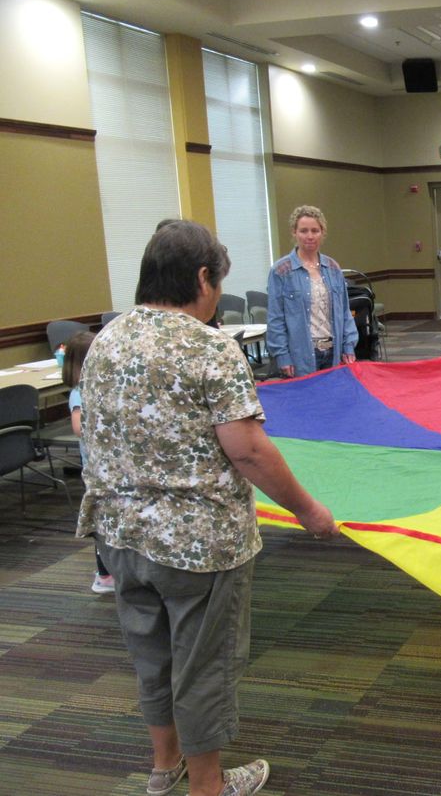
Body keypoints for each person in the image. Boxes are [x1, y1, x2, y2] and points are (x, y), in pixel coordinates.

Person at [77, 220, 339, 796]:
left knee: (153, 657)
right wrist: (307, 511)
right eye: (217, 282)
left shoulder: (106, 341)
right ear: (201, 278)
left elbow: (90, 431)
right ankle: (208, 785)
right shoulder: (209, 347)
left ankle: (163, 766)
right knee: (203, 668)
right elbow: (248, 450)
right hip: (198, 550)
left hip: (120, 539)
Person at [266, 204, 358, 378]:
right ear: (294, 232)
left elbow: (345, 312)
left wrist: (348, 345)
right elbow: (275, 318)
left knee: (333, 401)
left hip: (333, 351)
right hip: (301, 355)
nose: (309, 236)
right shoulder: (281, 271)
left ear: (322, 232)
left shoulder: (333, 268)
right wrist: (282, 355)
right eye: (304, 231)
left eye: (315, 231)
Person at [61, 330, 112, 594]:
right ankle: (104, 575)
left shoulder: (101, 387)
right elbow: (79, 427)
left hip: (109, 465)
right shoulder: (80, 393)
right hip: (95, 467)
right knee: (102, 520)